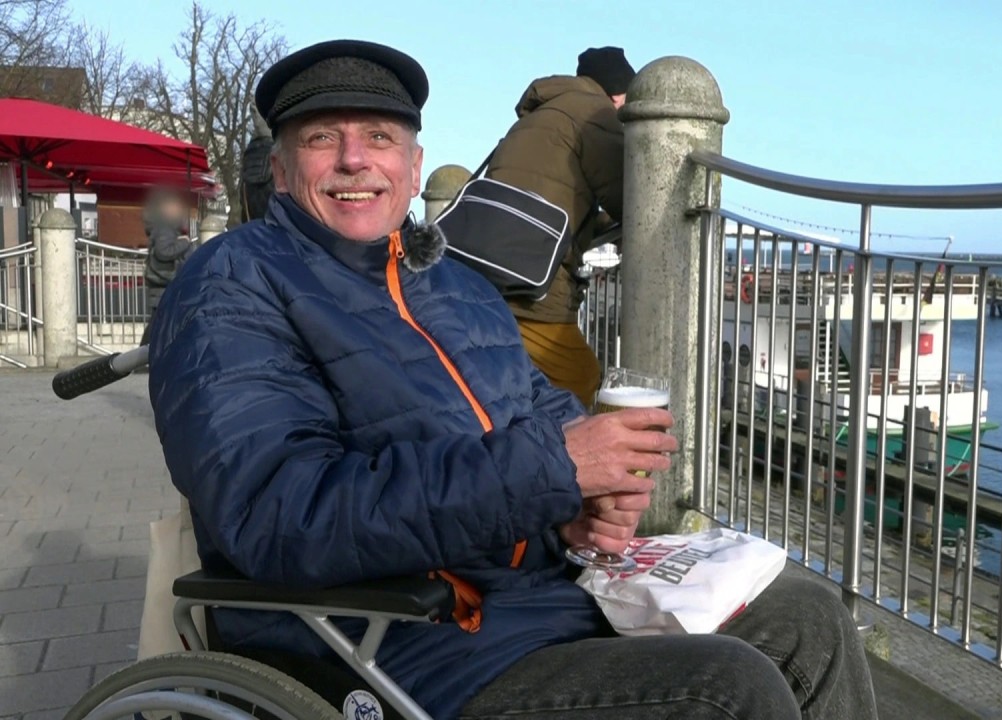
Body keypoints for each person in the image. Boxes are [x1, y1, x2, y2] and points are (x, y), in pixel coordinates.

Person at [146, 39, 878, 720]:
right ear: (279, 170)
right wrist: (554, 470)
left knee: (810, 621)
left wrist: (576, 506)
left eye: (379, 138)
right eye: (319, 139)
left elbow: (539, 415)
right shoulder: (231, 286)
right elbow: (284, 515)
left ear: (412, 161)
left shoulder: (454, 286)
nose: (353, 160)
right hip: (394, 643)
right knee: (727, 690)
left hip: (534, 603)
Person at [483, 46, 633, 408]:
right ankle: (571, 462)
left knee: (508, 382)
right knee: (579, 378)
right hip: (533, 283)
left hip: (488, 269)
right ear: (617, 94)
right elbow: (632, 201)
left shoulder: (540, 116)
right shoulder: (596, 115)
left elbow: (550, 194)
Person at [139, 187, 193, 346]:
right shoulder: (165, 229)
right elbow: (164, 252)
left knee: (160, 323)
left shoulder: (167, 228)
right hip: (164, 282)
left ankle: (144, 357)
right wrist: (184, 243)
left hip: (164, 283)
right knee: (158, 323)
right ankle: (140, 358)